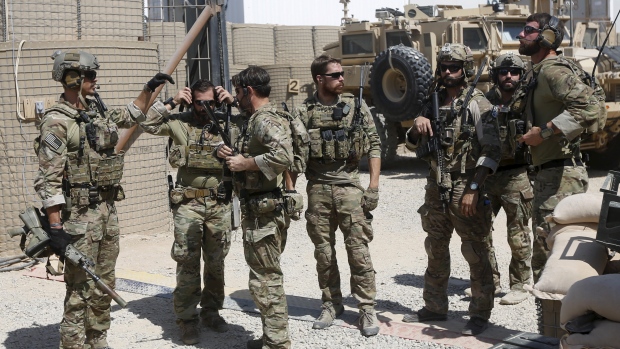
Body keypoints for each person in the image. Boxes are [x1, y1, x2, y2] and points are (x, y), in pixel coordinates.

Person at [34, 49, 173, 349]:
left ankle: (98, 340)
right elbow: (50, 180)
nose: (96, 80)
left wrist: (149, 89)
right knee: (79, 288)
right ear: (73, 78)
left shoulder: (95, 112)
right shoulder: (57, 122)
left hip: (106, 212)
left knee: (104, 284)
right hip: (78, 220)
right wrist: (56, 230)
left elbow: (131, 114)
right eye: (90, 75)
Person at [401, 43, 501, 336]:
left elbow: (493, 150)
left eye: (454, 67)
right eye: (444, 67)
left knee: (475, 250)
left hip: (464, 185)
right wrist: (415, 127)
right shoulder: (432, 102)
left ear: (465, 69)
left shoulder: (477, 103)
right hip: (436, 186)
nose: (447, 72)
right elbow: (411, 145)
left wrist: (473, 187)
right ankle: (434, 306)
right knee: (435, 247)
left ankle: (481, 313)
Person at [290, 54, 382, 337]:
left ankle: (367, 307)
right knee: (324, 254)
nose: (342, 79)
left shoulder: (356, 106)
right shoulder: (304, 112)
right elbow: (293, 156)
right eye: (335, 75)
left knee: (358, 251)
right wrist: (291, 191)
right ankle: (331, 303)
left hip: (350, 188)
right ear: (319, 79)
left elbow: (375, 145)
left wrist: (373, 186)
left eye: (342, 74)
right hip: (317, 188)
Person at [140, 80, 235, 345]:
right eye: (199, 102)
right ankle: (186, 319)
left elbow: (258, 123)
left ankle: (212, 311)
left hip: (219, 204)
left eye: (211, 103)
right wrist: (170, 102)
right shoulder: (179, 122)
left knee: (216, 262)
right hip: (188, 205)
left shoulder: (227, 122)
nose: (205, 108)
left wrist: (232, 103)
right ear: (190, 100)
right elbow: (146, 123)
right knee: (187, 261)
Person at [516, 13, 602, 282]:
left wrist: (544, 132)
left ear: (547, 37)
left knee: (553, 256)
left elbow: (591, 108)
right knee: (549, 251)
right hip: (549, 173)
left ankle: (561, 320)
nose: (521, 35)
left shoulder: (554, 71)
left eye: (529, 30)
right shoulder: (538, 71)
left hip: (561, 176)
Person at [216, 66, 293, 349]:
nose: (236, 97)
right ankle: (272, 335)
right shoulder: (256, 119)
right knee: (264, 276)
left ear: (249, 91)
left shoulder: (263, 120)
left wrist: (245, 163)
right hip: (260, 209)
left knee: (265, 280)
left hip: (263, 213)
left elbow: (283, 155)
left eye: (238, 92)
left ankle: (277, 342)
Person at [477, 53, 534, 305]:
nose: (508, 76)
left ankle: (520, 284)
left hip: (517, 175)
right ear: (496, 75)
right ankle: (489, 281)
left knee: (517, 233)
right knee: (480, 231)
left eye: (514, 72)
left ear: (521, 75)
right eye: (503, 72)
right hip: (489, 174)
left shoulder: (529, 102)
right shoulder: (485, 101)